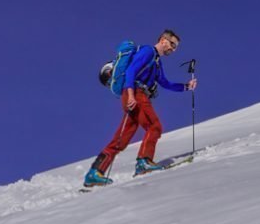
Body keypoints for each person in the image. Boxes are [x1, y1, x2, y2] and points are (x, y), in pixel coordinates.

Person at [84, 29, 197, 187]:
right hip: (136, 93)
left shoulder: (156, 62)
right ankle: (144, 162)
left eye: (176, 47)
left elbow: (165, 83)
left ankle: (95, 173)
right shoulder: (148, 51)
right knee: (154, 126)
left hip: (133, 94)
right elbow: (131, 70)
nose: (173, 49)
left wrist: (186, 86)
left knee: (121, 138)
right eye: (172, 44)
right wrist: (130, 94)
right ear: (163, 40)